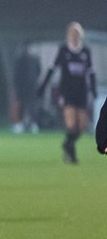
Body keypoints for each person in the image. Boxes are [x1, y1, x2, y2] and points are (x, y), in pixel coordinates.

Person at [37, 22, 96, 164]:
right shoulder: (63, 51)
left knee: (82, 126)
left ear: (81, 35)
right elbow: (52, 69)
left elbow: (90, 72)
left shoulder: (85, 52)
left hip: (81, 92)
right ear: (68, 35)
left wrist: (93, 89)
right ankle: (72, 154)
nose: (75, 36)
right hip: (67, 92)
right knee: (71, 123)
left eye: (77, 33)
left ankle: (67, 144)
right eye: (72, 33)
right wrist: (43, 87)